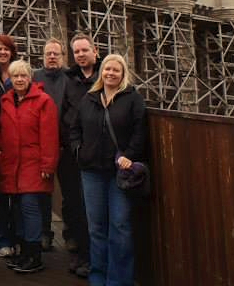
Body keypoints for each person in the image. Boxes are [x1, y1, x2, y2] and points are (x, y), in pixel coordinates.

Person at [71, 53, 146, 286]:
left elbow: (140, 131)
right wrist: (78, 150)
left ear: (123, 74)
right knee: (96, 228)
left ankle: (119, 280)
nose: (111, 73)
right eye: (107, 69)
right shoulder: (90, 98)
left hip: (119, 173)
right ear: (101, 72)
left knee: (120, 226)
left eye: (116, 70)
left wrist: (129, 156)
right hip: (91, 171)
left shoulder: (132, 99)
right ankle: (97, 277)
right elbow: (74, 128)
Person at [0, 60, 59, 274]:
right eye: (16, 76)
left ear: (30, 78)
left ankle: (34, 254)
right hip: (12, 162)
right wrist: (1, 149)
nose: (20, 80)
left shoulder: (43, 101)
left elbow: (50, 136)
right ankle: (24, 252)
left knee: (30, 207)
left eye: (23, 76)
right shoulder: (6, 101)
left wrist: (48, 165)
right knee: (17, 209)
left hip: (33, 162)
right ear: (10, 79)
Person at [62, 32, 100, 278]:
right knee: (75, 206)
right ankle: (81, 254)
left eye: (85, 50)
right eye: (77, 52)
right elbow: (66, 115)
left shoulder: (105, 76)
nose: (81, 55)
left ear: (95, 51)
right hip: (74, 153)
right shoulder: (71, 80)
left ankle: (94, 258)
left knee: (94, 210)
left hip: (99, 155)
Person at [32, 38, 69, 251]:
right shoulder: (35, 78)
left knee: (69, 193)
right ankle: (44, 233)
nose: (52, 57)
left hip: (64, 145)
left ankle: (70, 234)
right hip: (40, 146)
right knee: (42, 194)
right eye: (48, 54)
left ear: (62, 56)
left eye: (56, 53)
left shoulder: (70, 78)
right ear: (43, 56)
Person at [0, 33, 18, 258]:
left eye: (6, 49)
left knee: (18, 193)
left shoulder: (19, 73)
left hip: (16, 140)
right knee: (0, 194)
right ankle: (3, 239)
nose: (2, 53)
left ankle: (18, 236)